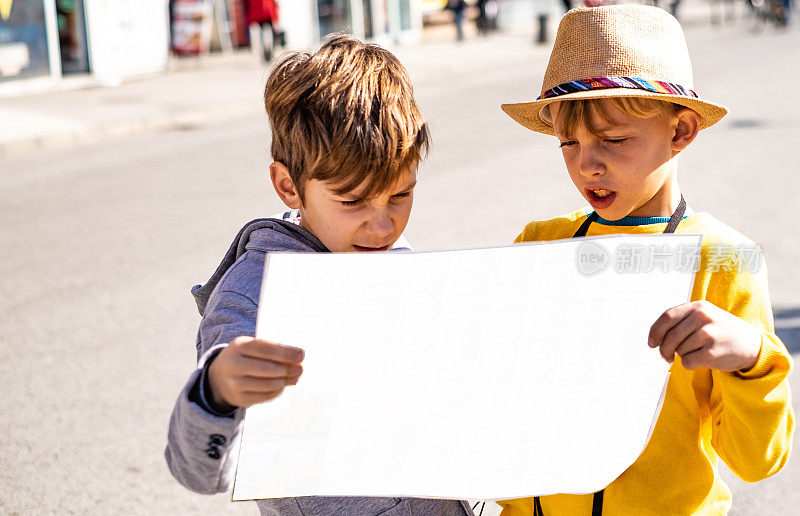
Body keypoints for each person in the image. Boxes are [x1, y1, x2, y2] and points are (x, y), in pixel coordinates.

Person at [499, 5, 793, 514]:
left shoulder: (723, 260)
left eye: (613, 141)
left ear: (680, 132)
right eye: (569, 143)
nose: (587, 163)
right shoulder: (540, 242)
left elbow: (756, 460)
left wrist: (751, 359)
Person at [164, 33, 474, 516]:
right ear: (289, 186)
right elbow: (199, 471)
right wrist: (217, 391)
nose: (382, 224)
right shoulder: (253, 294)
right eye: (351, 202)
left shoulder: (394, 256)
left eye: (400, 195)